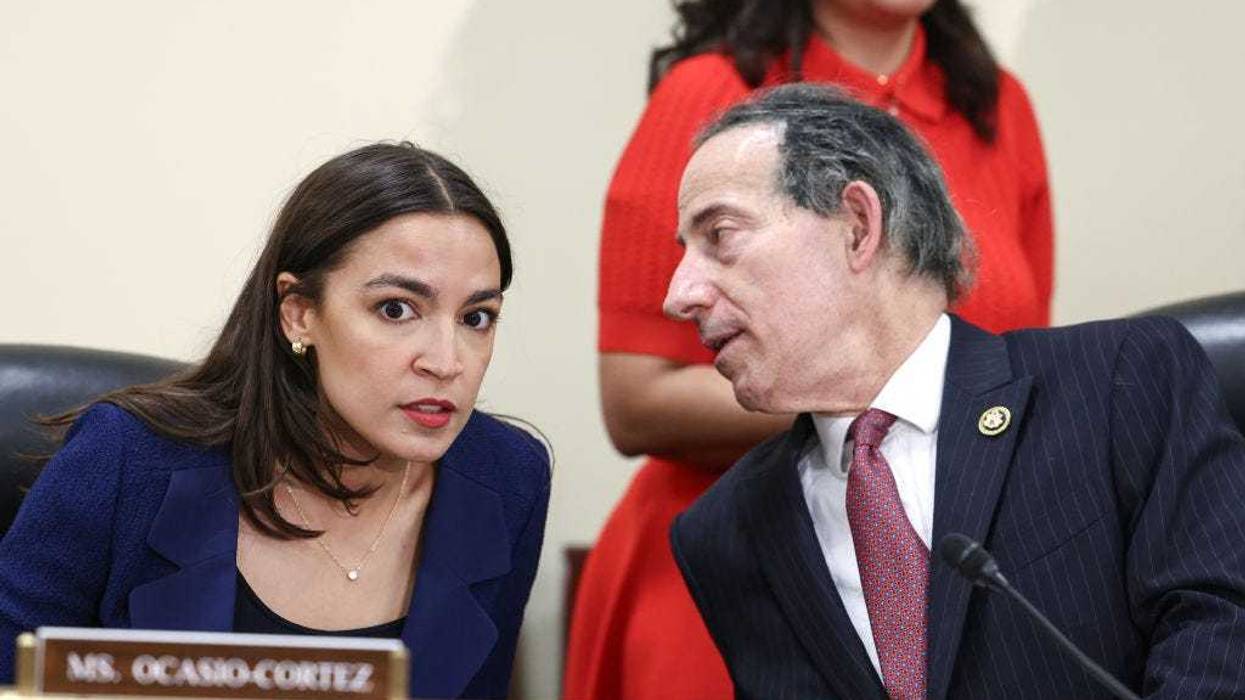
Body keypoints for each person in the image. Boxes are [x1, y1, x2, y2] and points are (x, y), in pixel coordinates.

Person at [665, 83, 1245, 699]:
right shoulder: (725, 531)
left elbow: (1222, 632)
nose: (679, 295)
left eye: (720, 235)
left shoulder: (1118, 382)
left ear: (857, 226)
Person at [567, 1, 1052, 697]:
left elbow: (1014, 370)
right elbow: (638, 398)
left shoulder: (997, 106)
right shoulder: (712, 92)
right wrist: (893, 410)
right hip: (736, 573)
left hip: (951, 566)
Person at [0, 143, 550, 699]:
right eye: (395, 310)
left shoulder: (508, 478)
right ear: (299, 313)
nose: (446, 361)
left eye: (477, 318)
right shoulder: (126, 459)